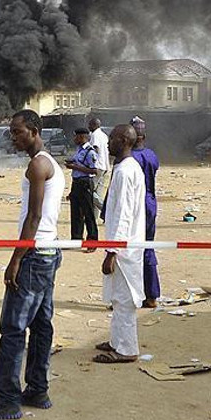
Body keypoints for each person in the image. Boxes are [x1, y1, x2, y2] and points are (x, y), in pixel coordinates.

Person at [0, 110, 64, 420]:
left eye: (17, 131)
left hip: (34, 254)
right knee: (41, 325)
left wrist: (16, 259)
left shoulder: (38, 165)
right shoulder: (48, 163)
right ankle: (37, 390)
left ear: (35, 131)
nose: (13, 137)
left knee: (13, 328)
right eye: (12, 132)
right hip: (47, 252)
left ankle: (8, 400)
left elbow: (34, 217)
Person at [93, 124, 146, 364]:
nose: (108, 142)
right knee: (117, 298)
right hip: (124, 245)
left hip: (124, 249)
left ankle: (126, 349)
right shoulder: (125, 167)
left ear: (124, 140)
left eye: (112, 138)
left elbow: (124, 215)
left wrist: (112, 252)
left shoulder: (126, 172)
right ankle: (116, 341)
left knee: (124, 300)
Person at [130, 116, 161, 308]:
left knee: (128, 250)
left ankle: (130, 295)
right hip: (150, 203)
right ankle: (152, 294)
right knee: (148, 247)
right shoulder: (152, 155)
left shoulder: (128, 159)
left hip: (135, 205)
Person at [64, 128, 98, 249]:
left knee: (88, 213)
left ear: (82, 137)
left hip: (85, 183)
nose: (74, 139)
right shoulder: (79, 150)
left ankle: (92, 242)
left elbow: (94, 170)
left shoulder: (90, 152)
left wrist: (75, 167)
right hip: (76, 183)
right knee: (76, 213)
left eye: (76, 136)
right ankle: (76, 239)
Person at [88, 118, 110, 218]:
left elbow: (95, 149)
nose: (88, 127)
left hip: (97, 167)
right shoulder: (104, 135)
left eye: (90, 125)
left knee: (88, 191)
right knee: (97, 194)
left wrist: (89, 163)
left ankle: (106, 211)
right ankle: (95, 218)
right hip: (105, 166)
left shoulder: (95, 135)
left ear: (94, 125)